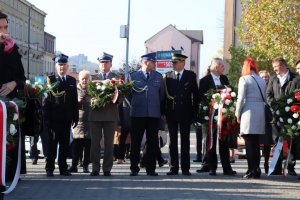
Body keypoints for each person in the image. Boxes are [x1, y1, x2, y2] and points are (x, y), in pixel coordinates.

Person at [196, 58, 236, 176]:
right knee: (210, 142)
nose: (224, 68)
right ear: (215, 67)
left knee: (224, 142)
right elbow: (201, 98)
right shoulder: (204, 80)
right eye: (222, 66)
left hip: (222, 116)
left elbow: (229, 95)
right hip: (210, 116)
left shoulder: (224, 79)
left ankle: (227, 168)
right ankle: (212, 167)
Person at [0, 11, 26, 187]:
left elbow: (22, 77)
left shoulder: (13, 48)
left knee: (11, 138)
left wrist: (14, 83)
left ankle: (9, 174)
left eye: (5, 27)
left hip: (10, 103)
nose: (4, 31)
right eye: (0, 28)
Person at [129, 52, 164, 176]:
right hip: (137, 114)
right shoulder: (133, 76)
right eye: (153, 62)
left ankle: (151, 169)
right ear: (145, 62)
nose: (155, 64)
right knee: (136, 142)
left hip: (153, 114)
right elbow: (128, 95)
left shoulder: (159, 77)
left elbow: (161, 96)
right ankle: (134, 168)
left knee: (153, 142)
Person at [44, 53, 79, 177]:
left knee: (64, 145)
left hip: (66, 118)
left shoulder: (71, 80)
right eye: (59, 65)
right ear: (55, 66)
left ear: (67, 66)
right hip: (54, 119)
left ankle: (63, 168)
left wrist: (76, 117)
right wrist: (46, 118)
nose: (62, 67)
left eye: (64, 65)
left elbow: (74, 101)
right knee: (52, 145)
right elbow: (46, 101)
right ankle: (49, 168)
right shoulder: (51, 80)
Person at [164, 53, 199, 176]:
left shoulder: (190, 75)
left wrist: (195, 114)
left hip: (186, 112)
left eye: (176, 62)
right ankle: (173, 167)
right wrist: (164, 113)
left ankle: (185, 168)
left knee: (185, 141)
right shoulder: (167, 76)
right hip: (172, 112)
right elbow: (164, 97)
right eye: (173, 63)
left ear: (183, 62)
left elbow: (196, 96)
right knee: (172, 142)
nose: (174, 64)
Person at [266, 56, 299, 176]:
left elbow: (297, 94)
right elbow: (268, 94)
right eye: (273, 67)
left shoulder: (295, 78)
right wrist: (274, 106)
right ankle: (276, 167)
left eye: (276, 66)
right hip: (276, 115)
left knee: (291, 141)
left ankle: (290, 167)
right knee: (276, 141)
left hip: (291, 115)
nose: (274, 69)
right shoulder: (273, 79)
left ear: (283, 66)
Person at [89, 52, 119, 176]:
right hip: (95, 115)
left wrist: (114, 98)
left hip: (110, 115)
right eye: (101, 62)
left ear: (110, 64)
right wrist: (92, 99)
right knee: (95, 144)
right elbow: (86, 94)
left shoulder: (116, 78)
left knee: (109, 144)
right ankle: (95, 168)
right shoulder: (93, 77)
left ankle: (107, 169)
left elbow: (121, 97)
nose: (104, 65)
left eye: (106, 62)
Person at [235, 58, 265, 179]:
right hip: (260, 111)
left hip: (248, 112)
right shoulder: (261, 80)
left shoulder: (244, 79)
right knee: (256, 143)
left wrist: (237, 114)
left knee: (249, 143)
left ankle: (251, 169)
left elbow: (240, 98)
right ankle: (256, 169)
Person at [68, 70, 91, 173]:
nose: (84, 81)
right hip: (78, 121)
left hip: (89, 121)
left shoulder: (92, 90)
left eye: (86, 79)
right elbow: (70, 104)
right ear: (79, 79)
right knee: (76, 145)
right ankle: (74, 165)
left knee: (87, 145)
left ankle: (86, 165)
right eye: (83, 79)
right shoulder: (74, 89)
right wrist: (77, 101)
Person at [258, 70, 273, 174]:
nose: (264, 79)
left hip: (268, 119)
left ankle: (266, 163)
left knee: (267, 144)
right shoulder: (257, 87)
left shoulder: (271, 87)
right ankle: (257, 164)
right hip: (258, 118)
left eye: (266, 77)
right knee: (258, 143)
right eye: (262, 77)